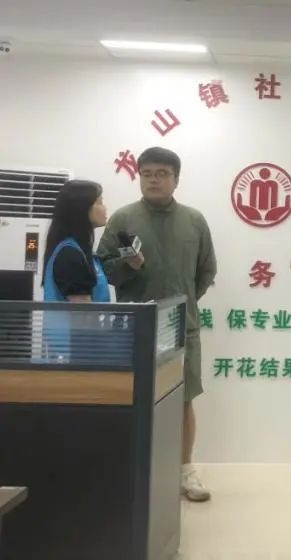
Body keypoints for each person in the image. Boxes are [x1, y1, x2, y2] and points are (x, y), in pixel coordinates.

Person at [97, 147, 217, 502]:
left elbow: (206, 270)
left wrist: (184, 301)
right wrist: (128, 267)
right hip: (135, 326)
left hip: (182, 326)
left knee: (183, 398)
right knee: (132, 397)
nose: (154, 180)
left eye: (162, 173)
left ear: (176, 179)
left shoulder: (194, 220)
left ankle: (186, 471)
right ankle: (132, 469)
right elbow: (102, 270)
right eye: (147, 173)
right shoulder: (123, 219)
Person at [43, 179, 109, 303]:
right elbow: (83, 311)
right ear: (82, 208)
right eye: (99, 202)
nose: (105, 208)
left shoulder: (81, 251)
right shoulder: (70, 255)